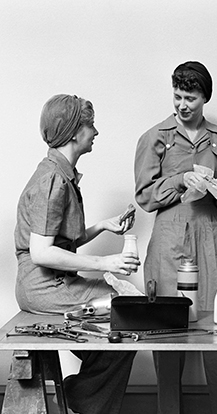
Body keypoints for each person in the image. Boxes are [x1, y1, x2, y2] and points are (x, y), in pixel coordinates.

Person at [14, 94, 141, 414]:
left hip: (51, 283)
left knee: (126, 316)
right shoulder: (53, 180)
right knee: (126, 317)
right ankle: (79, 399)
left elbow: (58, 242)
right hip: (43, 287)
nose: (96, 132)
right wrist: (104, 262)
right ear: (73, 132)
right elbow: (42, 253)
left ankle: (80, 398)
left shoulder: (58, 173)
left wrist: (102, 227)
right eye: (90, 125)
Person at [134, 61, 217, 414]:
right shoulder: (155, 137)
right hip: (168, 242)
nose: (182, 105)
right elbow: (145, 197)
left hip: (209, 236)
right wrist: (180, 180)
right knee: (167, 335)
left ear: (204, 98)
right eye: (178, 96)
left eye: (190, 98)